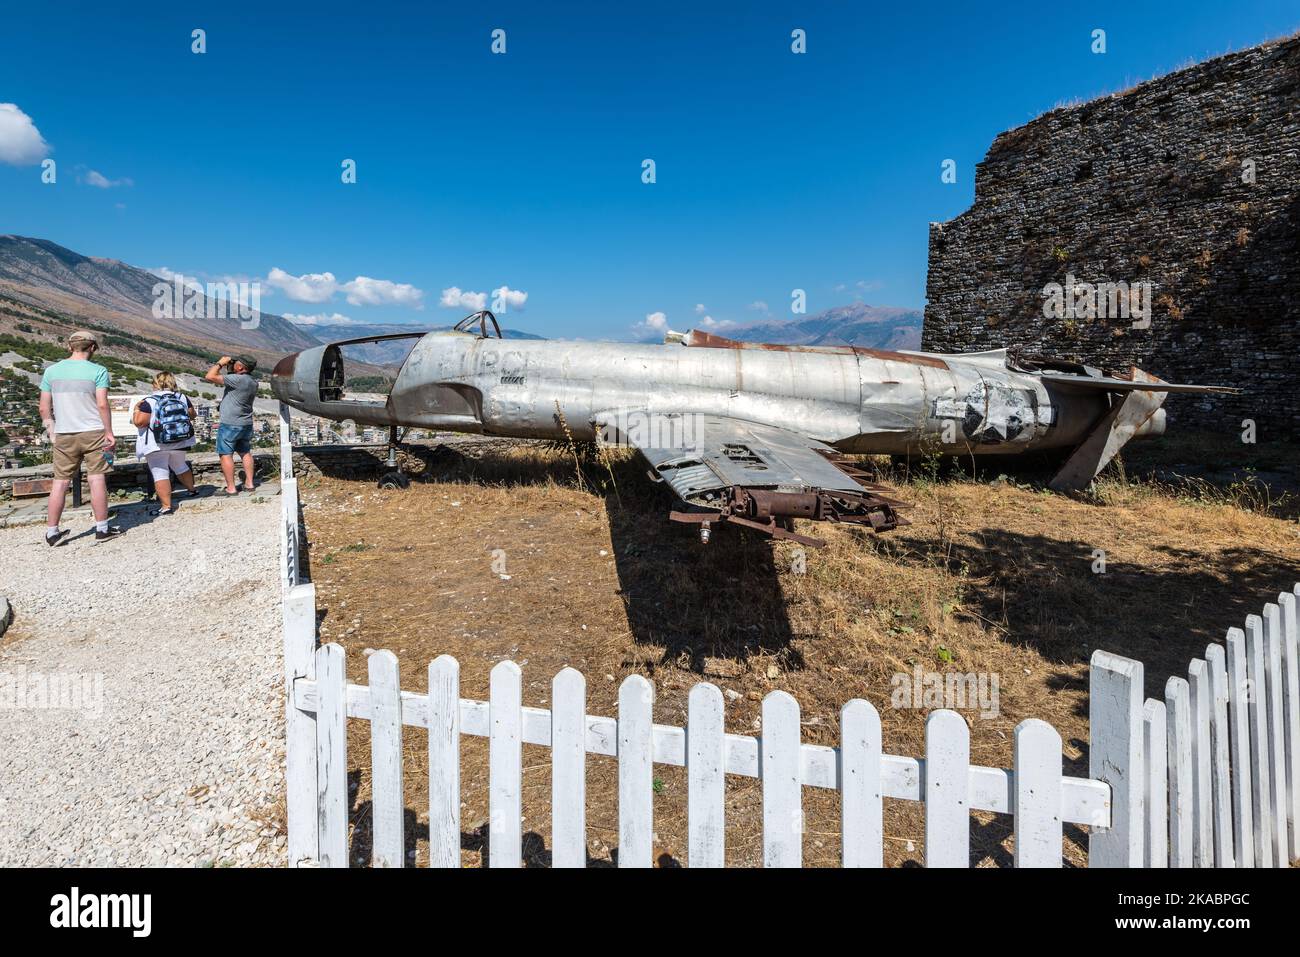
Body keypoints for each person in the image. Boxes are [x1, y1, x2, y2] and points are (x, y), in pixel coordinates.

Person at [37, 330, 123, 544]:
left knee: (60, 482)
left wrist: (51, 430)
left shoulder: (51, 371)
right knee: (96, 478)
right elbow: (102, 404)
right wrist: (109, 432)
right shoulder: (99, 370)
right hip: (94, 431)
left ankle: (52, 532)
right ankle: (102, 529)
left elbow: (43, 408)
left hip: (64, 433)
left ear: (69, 346)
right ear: (93, 347)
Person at [133, 371, 199, 515]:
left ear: (155, 383)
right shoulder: (182, 397)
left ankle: (166, 507)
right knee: (180, 466)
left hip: (157, 443)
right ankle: (192, 490)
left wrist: (136, 409)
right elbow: (192, 415)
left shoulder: (148, 401)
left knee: (159, 473)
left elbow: (139, 423)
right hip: (180, 440)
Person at [204, 354, 259, 495]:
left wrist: (220, 363)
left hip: (230, 423)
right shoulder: (253, 382)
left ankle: (231, 488)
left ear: (240, 367)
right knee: (245, 452)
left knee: (225, 454)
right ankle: (250, 483)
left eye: (236, 363)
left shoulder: (237, 379)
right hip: (246, 422)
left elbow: (209, 376)